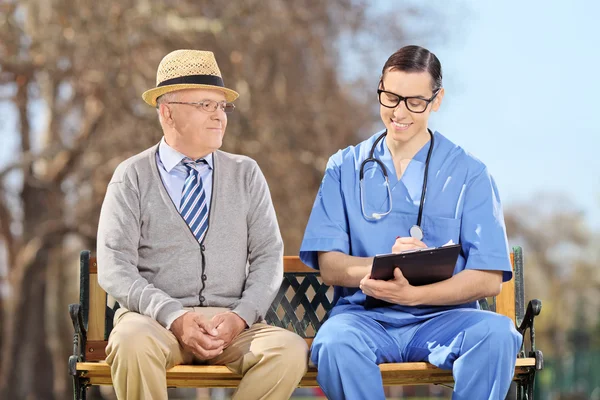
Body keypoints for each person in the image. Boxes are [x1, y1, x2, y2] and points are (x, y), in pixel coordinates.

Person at [299, 45, 522, 400]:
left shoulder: (470, 174)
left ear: (437, 100)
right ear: (380, 90)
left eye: (414, 102)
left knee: (498, 335)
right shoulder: (344, 168)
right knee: (334, 343)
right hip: (365, 319)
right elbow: (330, 266)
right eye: (390, 97)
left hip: (445, 319)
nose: (399, 112)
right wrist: (386, 269)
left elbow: (488, 277)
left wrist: (416, 295)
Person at [97, 49, 308, 400]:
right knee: (130, 342)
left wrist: (241, 316)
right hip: (155, 323)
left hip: (233, 326)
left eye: (222, 107)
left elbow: (269, 255)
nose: (219, 117)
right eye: (205, 106)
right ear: (167, 113)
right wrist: (173, 316)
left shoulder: (246, 174)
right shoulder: (131, 176)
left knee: (288, 351)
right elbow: (114, 265)